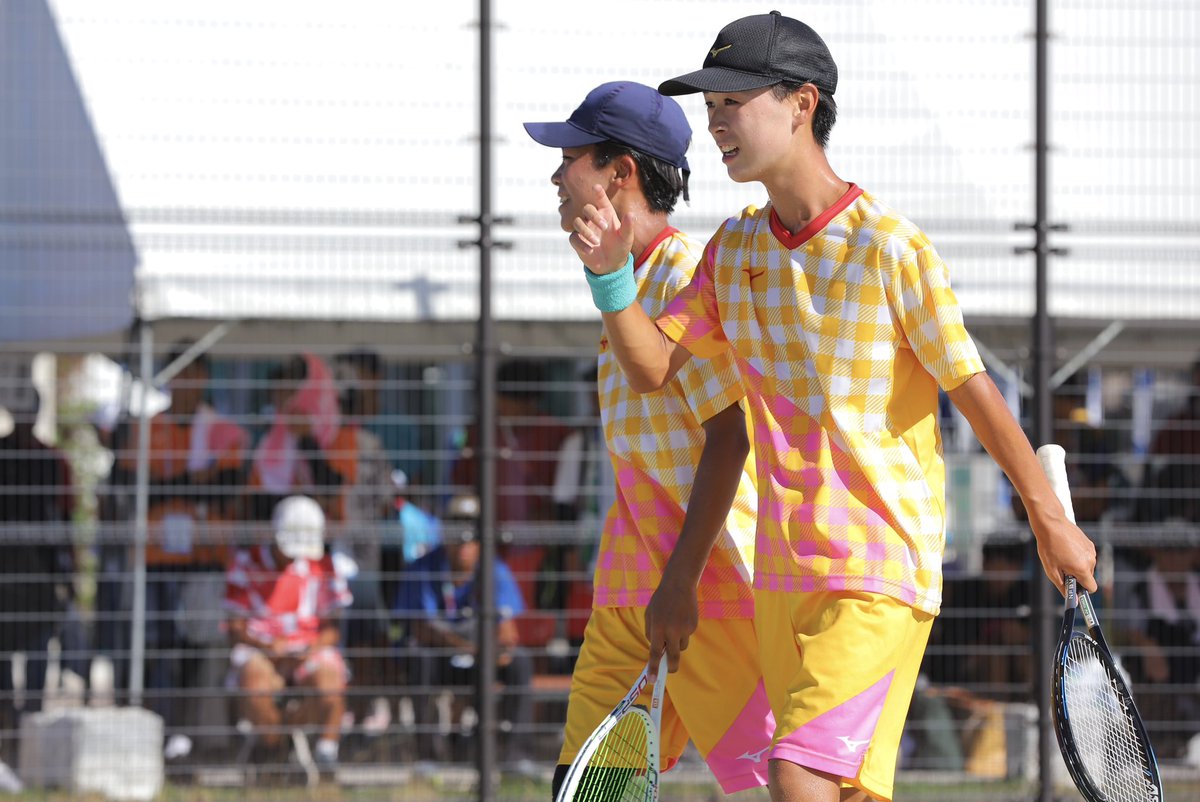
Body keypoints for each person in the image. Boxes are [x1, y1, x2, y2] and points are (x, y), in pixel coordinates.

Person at [564, 13, 1098, 801]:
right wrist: (610, 276)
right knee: (833, 788)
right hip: (783, 582)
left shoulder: (890, 247)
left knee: (798, 774)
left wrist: (1049, 519)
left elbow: (973, 389)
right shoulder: (733, 251)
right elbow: (650, 367)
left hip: (877, 574)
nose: (715, 122)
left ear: (802, 104)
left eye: (733, 101)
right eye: (710, 107)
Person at [523, 80, 773, 797]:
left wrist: (680, 583)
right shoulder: (626, 282)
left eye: (570, 158)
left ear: (621, 172)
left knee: (781, 785)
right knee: (585, 787)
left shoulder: (683, 278)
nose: (555, 177)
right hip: (631, 590)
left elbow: (732, 439)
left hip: (708, 590)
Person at [116, 342, 249, 762]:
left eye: (192, 372)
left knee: (200, 649)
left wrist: (170, 485)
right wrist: (195, 481)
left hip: (205, 559)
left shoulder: (226, 432)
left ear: (204, 377)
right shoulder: (146, 430)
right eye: (178, 372)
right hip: (156, 558)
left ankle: (191, 734)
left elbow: (227, 488)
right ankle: (156, 728)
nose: (185, 381)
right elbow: (132, 487)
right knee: (156, 648)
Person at [391, 493, 533, 768]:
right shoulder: (423, 568)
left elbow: (508, 633)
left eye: (471, 535)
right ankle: (428, 757)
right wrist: (470, 648)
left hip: (481, 657)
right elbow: (422, 630)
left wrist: (493, 651)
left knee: (521, 661)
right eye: (457, 532)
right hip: (440, 657)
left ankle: (517, 757)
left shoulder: (494, 569)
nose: (464, 544)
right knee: (419, 658)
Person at [224, 495, 352, 773]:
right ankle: (275, 746)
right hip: (260, 649)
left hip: (309, 649)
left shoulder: (323, 566)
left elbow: (333, 629)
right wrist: (267, 646)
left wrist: (309, 649)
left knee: (331, 684)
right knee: (254, 685)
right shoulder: (246, 563)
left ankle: (325, 754)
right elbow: (234, 627)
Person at [0, 388, 74, 779]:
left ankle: (30, 729)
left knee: (37, 649)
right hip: (4, 574)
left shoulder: (53, 460)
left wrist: (67, 574)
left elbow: (64, 517)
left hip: (40, 574)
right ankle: (6, 728)